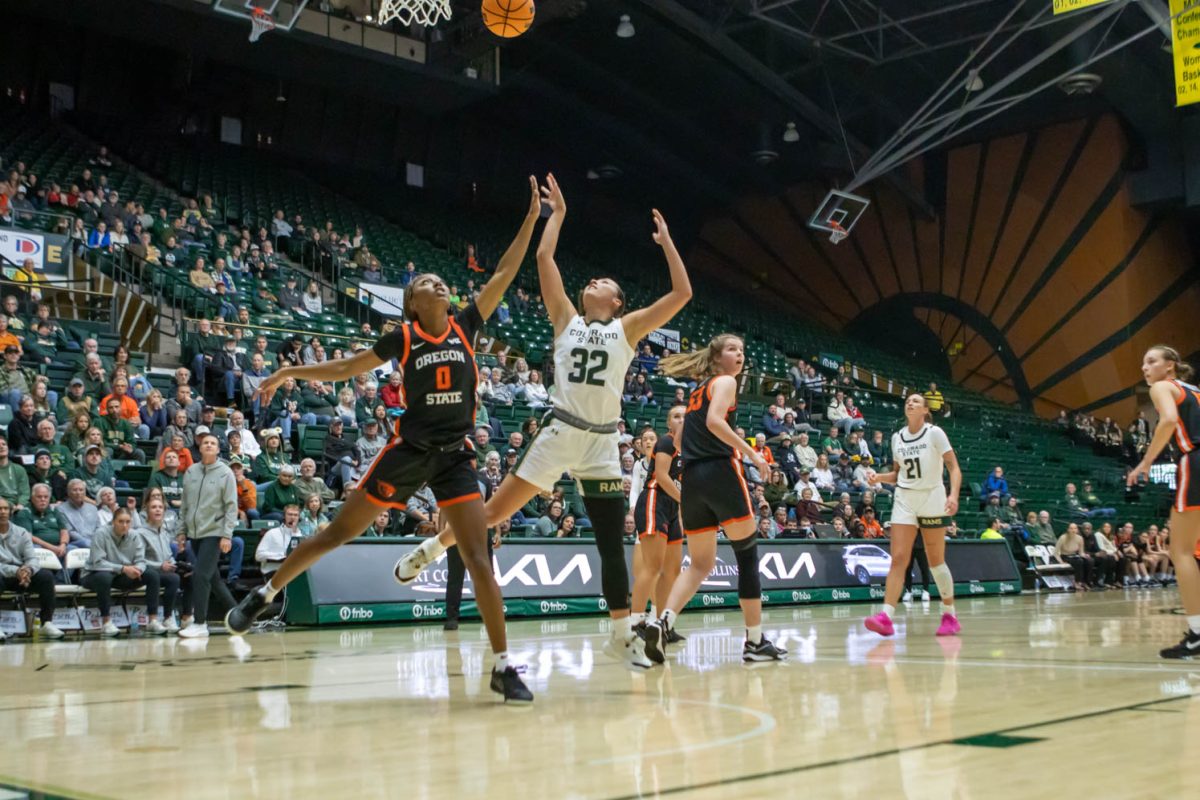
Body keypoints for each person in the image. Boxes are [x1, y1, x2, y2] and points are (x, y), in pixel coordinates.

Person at [226, 177, 541, 703]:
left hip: (454, 459)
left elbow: (507, 271)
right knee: (335, 534)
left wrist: (531, 219)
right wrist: (290, 373)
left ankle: (503, 665)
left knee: (479, 554)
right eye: (426, 283)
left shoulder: (466, 325)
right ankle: (267, 591)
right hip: (407, 454)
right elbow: (349, 367)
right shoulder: (404, 337)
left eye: (442, 282)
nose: (438, 285)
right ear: (412, 304)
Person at [396, 175, 692, 671]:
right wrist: (558, 217)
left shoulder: (629, 327)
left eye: (603, 283)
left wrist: (668, 245)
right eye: (591, 280)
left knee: (610, 547)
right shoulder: (565, 318)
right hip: (560, 432)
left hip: (601, 445)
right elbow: (543, 260)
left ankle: (621, 636)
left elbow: (682, 291)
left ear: (618, 301)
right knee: (490, 515)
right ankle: (432, 546)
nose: (592, 282)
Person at [641, 334, 784, 663]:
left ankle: (662, 622)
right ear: (718, 358)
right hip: (720, 473)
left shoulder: (697, 392)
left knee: (701, 564)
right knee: (747, 556)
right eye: (734, 349)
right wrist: (754, 454)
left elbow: (688, 434)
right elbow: (715, 422)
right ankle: (755, 642)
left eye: (743, 350)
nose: (741, 354)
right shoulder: (725, 382)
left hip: (691, 480)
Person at [863, 393, 963, 638]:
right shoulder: (897, 437)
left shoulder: (935, 433)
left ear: (925, 410)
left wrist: (954, 495)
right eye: (908, 400)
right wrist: (879, 477)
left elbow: (953, 467)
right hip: (905, 498)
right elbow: (898, 475)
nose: (910, 402)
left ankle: (949, 614)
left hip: (932, 496)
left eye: (916, 401)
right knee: (898, 558)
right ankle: (885, 616)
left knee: (936, 560)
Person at [1127, 346, 1200, 658]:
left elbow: (1168, 420)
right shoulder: (1195, 390)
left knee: (1179, 551)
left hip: (1194, 461)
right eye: (1143, 362)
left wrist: (1145, 462)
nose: (1146, 368)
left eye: (1152, 361)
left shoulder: (1161, 387)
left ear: (1171, 366)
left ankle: (1197, 633)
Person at [630, 405, 686, 640]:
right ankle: (635, 623)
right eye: (676, 416)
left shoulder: (690, 449)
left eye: (686, 416)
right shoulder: (666, 442)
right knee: (652, 567)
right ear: (668, 422)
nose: (682, 419)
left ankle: (662, 624)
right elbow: (662, 477)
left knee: (671, 571)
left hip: (673, 507)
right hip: (654, 500)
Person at [177, 432, 238, 639]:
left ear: (218, 449)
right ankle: (239, 616)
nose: (209, 445)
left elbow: (232, 506)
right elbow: (185, 504)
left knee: (201, 575)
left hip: (215, 532)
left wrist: (227, 535)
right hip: (195, 533)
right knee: (214, 580)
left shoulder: (225, 473)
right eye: (206, 443)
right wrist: (181, 531)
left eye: (213, 443)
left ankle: (201, 623)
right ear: (200, 447)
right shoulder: (191, 472)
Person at [82, 507, 167, 636]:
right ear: (113, 522)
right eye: (121, 521)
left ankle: (153, 621)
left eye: (128, 522)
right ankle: (106, 622)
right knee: (104, 577)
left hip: (120, 575)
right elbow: (98, 562)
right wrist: (123, 568)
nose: (124, 525)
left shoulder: (135, 535)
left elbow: (141, 560)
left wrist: (138, 569)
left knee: (152, 575)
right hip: (93, 574)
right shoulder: (101, 533)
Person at [0, 497, 64, 639]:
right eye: (0, 509)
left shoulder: (21, 532)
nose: (3, 512)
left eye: (5, 508)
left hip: (22, 576)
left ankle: (46, 623)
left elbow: (32, 558)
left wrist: (28, 570)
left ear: (10, 512)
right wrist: (16, 571)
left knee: (46, 576)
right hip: (4, 575)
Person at [135, 497, 182, 633]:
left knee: (184, 576)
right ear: (147, 512)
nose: (157, 510)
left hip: (162, 570)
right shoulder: (140, 533)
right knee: (160, 577)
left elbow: (168, 555)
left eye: (160, 507)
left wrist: (174, 563)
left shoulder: (164, 532)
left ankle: (175, 618)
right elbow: (139, 559)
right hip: (146, 572)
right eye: (154, 507)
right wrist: (160, 565)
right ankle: (153, 620)